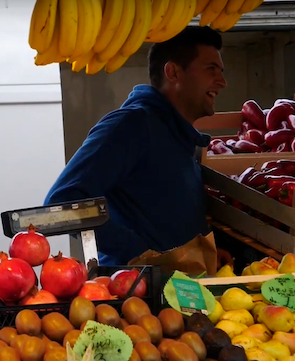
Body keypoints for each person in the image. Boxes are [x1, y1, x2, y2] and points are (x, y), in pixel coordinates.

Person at [43, 26, 227, 266]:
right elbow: (62, 205)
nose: (222, 82)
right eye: (211, 69)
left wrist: (204, 252)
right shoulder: (132, 126)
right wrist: (142, 253)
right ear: (173, 72)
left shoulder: (178, 137)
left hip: (176, 292)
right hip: (135, 294)